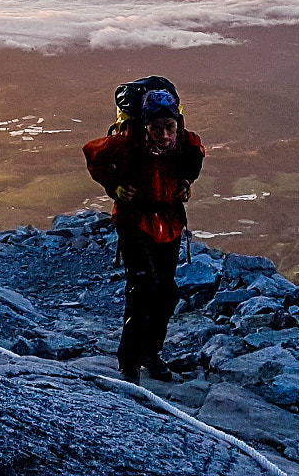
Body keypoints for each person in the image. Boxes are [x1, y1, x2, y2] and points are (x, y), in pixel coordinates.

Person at [82, 86, 204, 382]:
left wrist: (186, 183)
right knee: (143, 285)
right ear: (144, 125)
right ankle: (130, 362)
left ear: (178, 123)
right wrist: (115, 187)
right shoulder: (126, 143)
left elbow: (195, 161)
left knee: (166, 291)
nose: (164, 135)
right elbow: (93, 153)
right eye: (156, 127)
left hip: (169, 221)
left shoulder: (186, 145)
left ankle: (151, 353)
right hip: (134, 220)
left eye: (169, 127)